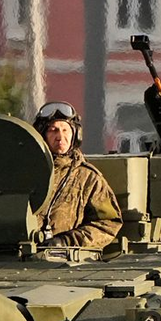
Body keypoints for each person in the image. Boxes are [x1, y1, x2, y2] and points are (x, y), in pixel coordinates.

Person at [33, 102, 122, 251]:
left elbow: (108, 223)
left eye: (65, 130)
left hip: (65, 261)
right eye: (53, 130)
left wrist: (67, 241)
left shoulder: (88, 178)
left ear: (75, 135)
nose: (60, 137)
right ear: (42, 135)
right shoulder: (25, 173)